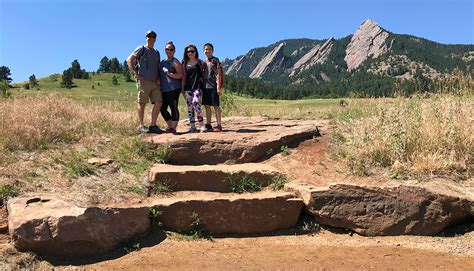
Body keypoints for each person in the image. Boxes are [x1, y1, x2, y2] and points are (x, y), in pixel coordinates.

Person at [126, 30, 162, 134]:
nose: (151, 38)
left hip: (154, 82)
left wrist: (158, 78)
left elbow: (157, 66)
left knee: (159, 102)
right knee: (142, 103)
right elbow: (129, 60)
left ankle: (153, 125)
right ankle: (141, 125)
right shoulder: (141, 48)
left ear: (155, 38)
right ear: (146, 37)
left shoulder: (156, 52)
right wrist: (136, 74)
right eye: (149, 36)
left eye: (153, 36)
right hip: (144, 81)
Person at [159, 41, 183, 134]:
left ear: (174, 51)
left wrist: (169, 73)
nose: (169, 51)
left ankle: (173, 127)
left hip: (174, 88)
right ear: (165, 50)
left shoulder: (175, 61)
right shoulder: (162, 62)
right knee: (162, 108)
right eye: (167, 49)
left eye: (171, 49)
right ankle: (170, 126)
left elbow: (180, 75)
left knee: (173, 107)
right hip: (164, 89)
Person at [182, 44, 205, 133]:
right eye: (188, 51)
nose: (190, 53)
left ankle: (202, 125)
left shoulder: (200, 62)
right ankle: (192, 127)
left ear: (196, 52)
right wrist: (182, 88)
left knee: (196, 104)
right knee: (190, 107)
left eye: (192, 51)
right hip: (188, 88)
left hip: (197, 87)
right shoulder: (184, 63)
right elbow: (183, 76)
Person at [202, 43, 224, 132]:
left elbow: (219, 73)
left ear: (212, 50)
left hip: (213, 86)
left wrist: (219, 86)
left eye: (209, 49)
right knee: (207, 106)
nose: (207, 51)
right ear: (203, 51)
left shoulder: (215, 60)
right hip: (205, 87)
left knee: (216, 106)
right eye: (206, 49)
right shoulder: (203, 62)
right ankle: (208, 124)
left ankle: (219, 125)